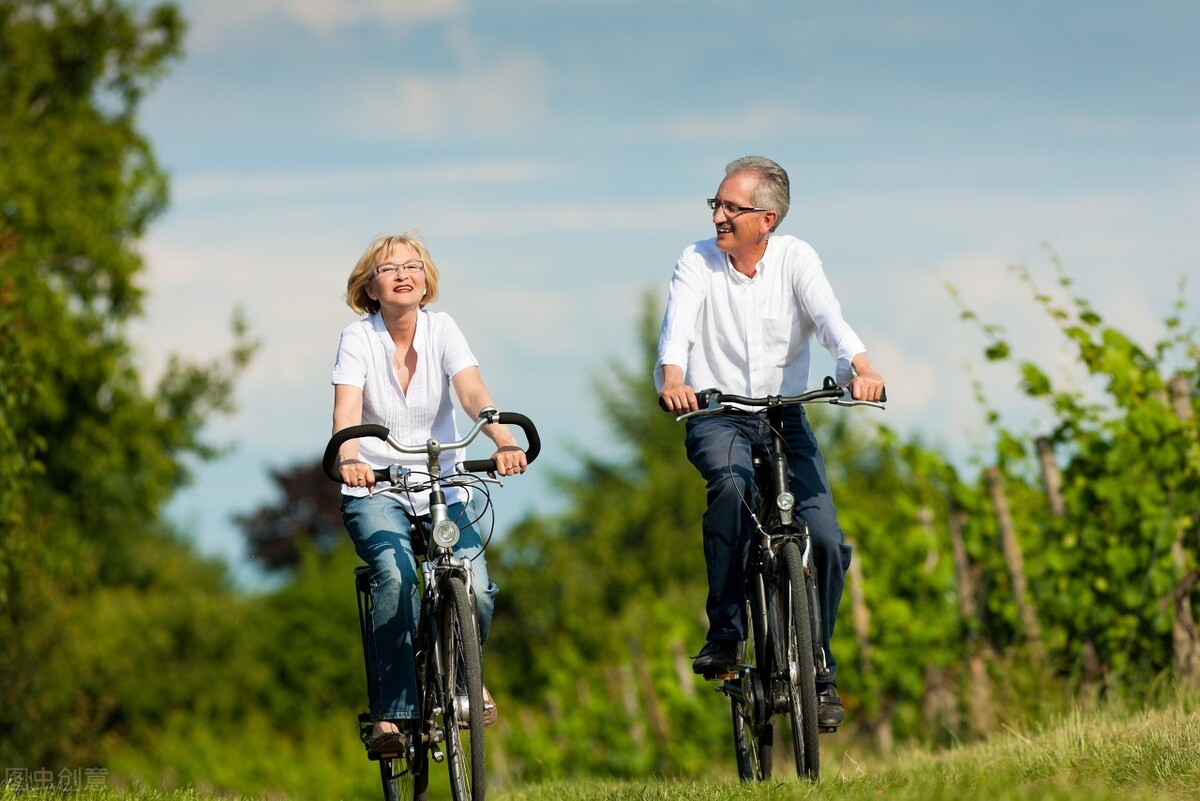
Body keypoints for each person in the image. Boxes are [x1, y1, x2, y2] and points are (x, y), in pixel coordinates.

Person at [655, 156, 885, 728]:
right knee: (731, 492)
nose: (719, 216)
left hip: (785, 417)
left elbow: (829, 317)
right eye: (716, 204)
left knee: (826, 539)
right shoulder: (696, 262)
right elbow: (676, 330)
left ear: (768, 218)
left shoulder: (796, 259)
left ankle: (818, 669)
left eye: (733, 207)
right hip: (718, 416)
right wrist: (674, 380)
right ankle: (727, 634)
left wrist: (859, 364)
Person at [331, 231, 528, 753]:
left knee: (478, 585)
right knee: (394, 577)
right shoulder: (358, 339)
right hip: (379, 489)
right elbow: (347, 413)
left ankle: (463, 678)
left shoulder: (443, 329)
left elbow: (472, 393)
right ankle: (392, 716)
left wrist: (504, 440)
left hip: (444, 486)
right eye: (389, 268)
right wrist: (350, 458)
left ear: (426, 279)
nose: (403, 274)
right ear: (370, 287)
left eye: (413, 265)